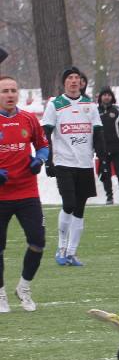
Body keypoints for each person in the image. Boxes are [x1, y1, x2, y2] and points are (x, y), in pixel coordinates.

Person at [42, 67, 101, 266]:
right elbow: (45, 134)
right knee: (69, 204)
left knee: (80, 208)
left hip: (84, 164)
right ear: (64, 82)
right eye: (70, 78)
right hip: (64, 163)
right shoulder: (55, 104)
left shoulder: (90, 105)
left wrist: (103, 157)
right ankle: (61, 248)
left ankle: (72, 253)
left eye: (77, 78)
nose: (74, 81)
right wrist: (48, 160)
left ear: (81, 82)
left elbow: (98, 132)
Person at [0, 75, 49, 312]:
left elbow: (43, 145)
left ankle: (24, 287)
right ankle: (0, 293)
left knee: (38, 242)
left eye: (13, 90)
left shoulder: (29, 119)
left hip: (27, 192)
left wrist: (39, 160)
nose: (10, 94)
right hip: (1, 196)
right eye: (5, 91)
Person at [95, 87, 119, 205]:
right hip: (103, 150)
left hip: (117, 149)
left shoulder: (118, 111)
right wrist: (95, 147)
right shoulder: (95, 112)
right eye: (104, 95)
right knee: (105, 174)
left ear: (112, 97)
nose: (106, 97)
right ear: (100, 97)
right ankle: (109, 197)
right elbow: (92, 132)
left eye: (109, 95)